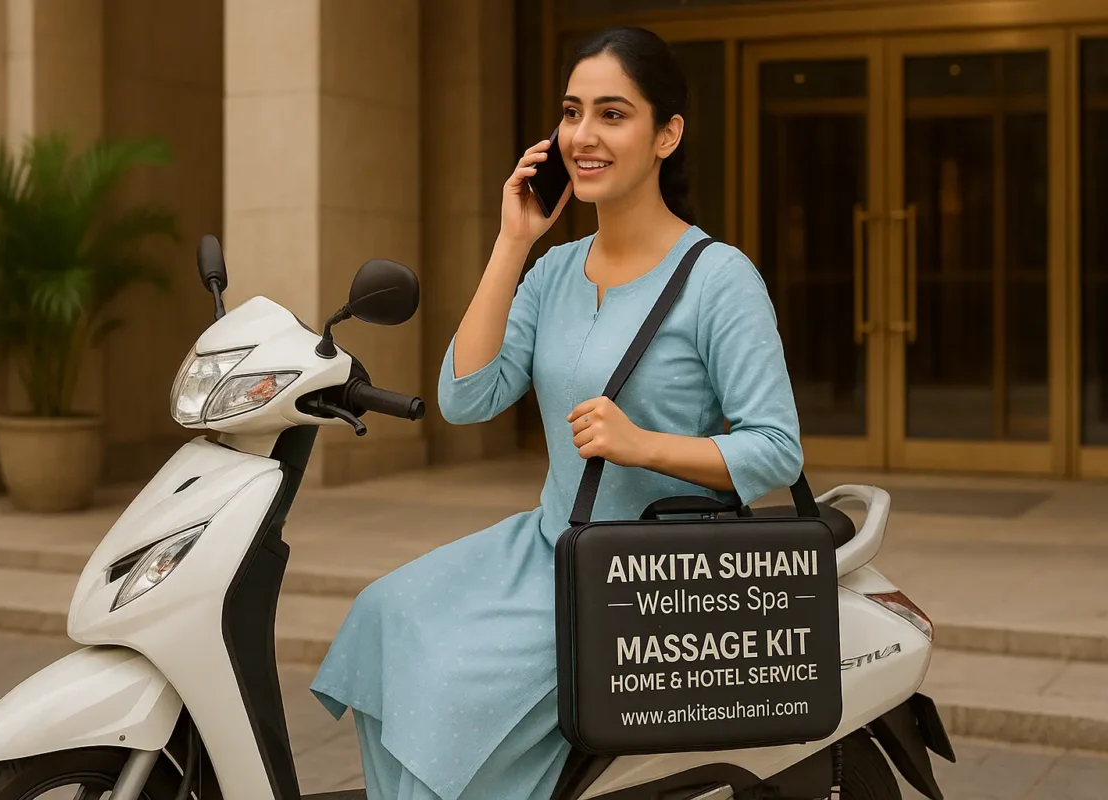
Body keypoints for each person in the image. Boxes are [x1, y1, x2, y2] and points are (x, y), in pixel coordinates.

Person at [310, 26, 803, 800]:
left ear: (666, 134)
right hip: (546, 544)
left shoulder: (719, 279)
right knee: (383, 617)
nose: (583, 135)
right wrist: (513, 242)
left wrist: (645, 446)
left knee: (450, 688)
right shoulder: (554, 271)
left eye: (613, 114)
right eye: (572, 113)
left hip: (644, 575)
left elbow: (777, 450)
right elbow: (464, 398)